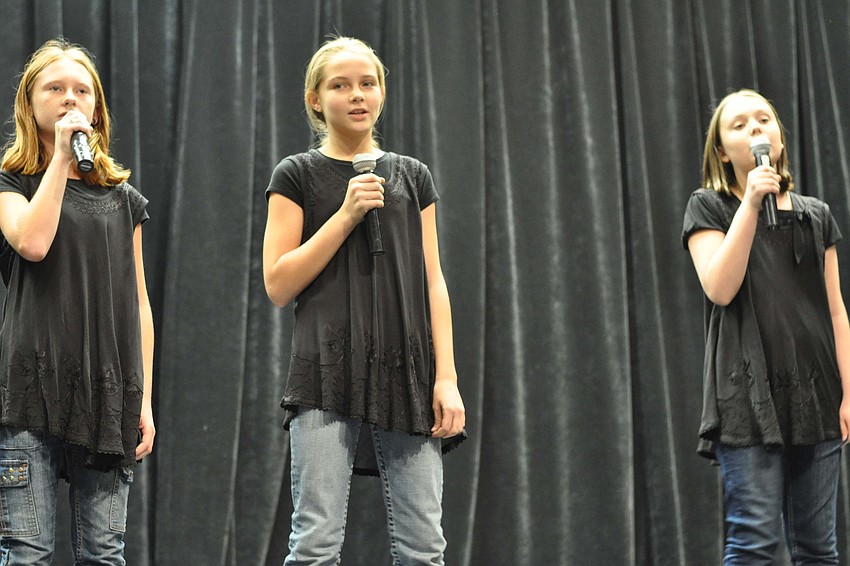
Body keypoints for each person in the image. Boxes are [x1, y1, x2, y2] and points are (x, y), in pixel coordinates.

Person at [262, 36, 465, 565]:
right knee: (315, 542)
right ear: (315, 98)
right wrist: (345, 215)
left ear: (382, 93)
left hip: (408, 373)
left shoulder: (412, 175)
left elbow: (433, 281)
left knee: (424, 548)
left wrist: (446, 378)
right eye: (340, 85)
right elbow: (279, 283)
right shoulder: (296, 174)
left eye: (367, 83)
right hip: (326, 373)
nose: (357, 95)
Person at [0, 38, 155, 564]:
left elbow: (139, 305)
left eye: (81, 91)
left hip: (106, 393)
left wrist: (146, 399)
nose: (70, 99)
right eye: (55, 88)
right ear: (30, 102)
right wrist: (60, 161)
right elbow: (33, 243)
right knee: (27, 552)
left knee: (103, 553)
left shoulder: (123, 199)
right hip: (30, 392)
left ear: (97, 108)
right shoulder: (11, 182)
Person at [682, 88, 850, 564]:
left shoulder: (816, 215)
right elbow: (719, 287)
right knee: (754, 542)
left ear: (779, 136)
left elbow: (836, 310)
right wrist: (751, 205)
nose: (756, 129)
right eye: (739, 125)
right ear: (722, 152)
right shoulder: (708, 208)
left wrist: (849, 393)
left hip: (816, 393)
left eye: (764, 120)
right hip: (748, 397)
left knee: (819, 549)